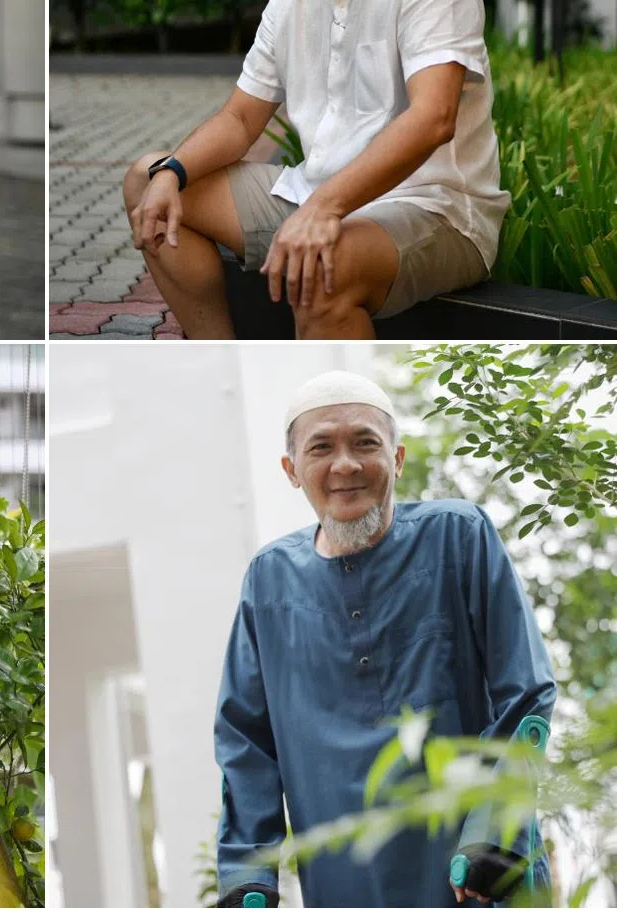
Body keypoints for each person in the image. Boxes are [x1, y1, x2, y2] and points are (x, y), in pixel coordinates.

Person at [124, 0, 507, 340]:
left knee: (324, 268)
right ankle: (220, 359)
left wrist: (326, 209)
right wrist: (172, 172)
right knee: (147, 182)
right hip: (314, 196)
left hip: (435, 210)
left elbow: (433, 117)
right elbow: (240, 120)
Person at [214, 370, 556, 908]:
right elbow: (245, 740)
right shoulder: (268, 579)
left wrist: (494, 832)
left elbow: (527, 694)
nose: (345, 464)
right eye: (321, 448)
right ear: (291, 470)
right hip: (342, 881)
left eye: (365, 443)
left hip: (477, 874)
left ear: (396, 459)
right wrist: (246, 877)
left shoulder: (458, 537)